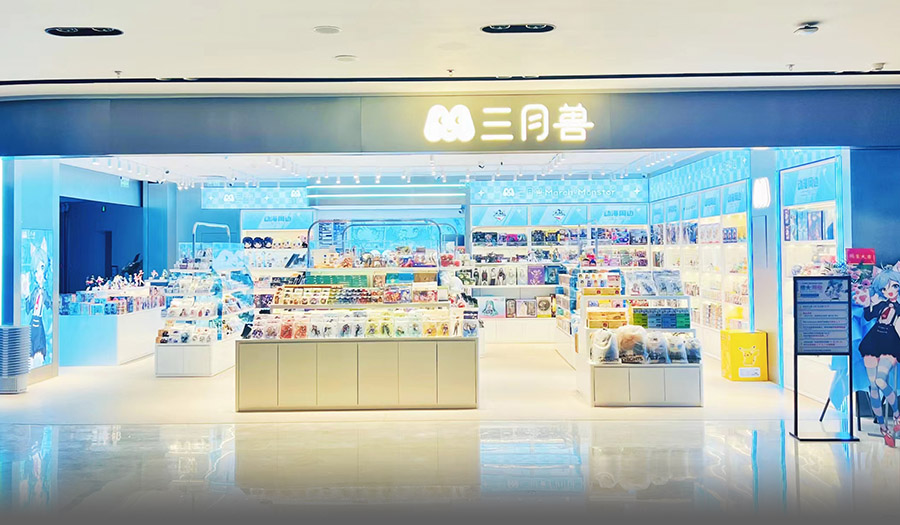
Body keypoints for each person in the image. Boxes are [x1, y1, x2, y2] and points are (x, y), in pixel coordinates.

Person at [859, 267, 900, 446]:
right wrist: (867, 301)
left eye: (894, 286)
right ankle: (883, 429)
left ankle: (897, 416)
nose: (889, 291)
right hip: (873, 341)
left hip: (890, 344)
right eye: (884, 288)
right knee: (873, 387)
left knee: (881, 380)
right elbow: (869, 316)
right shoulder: (882, 305)